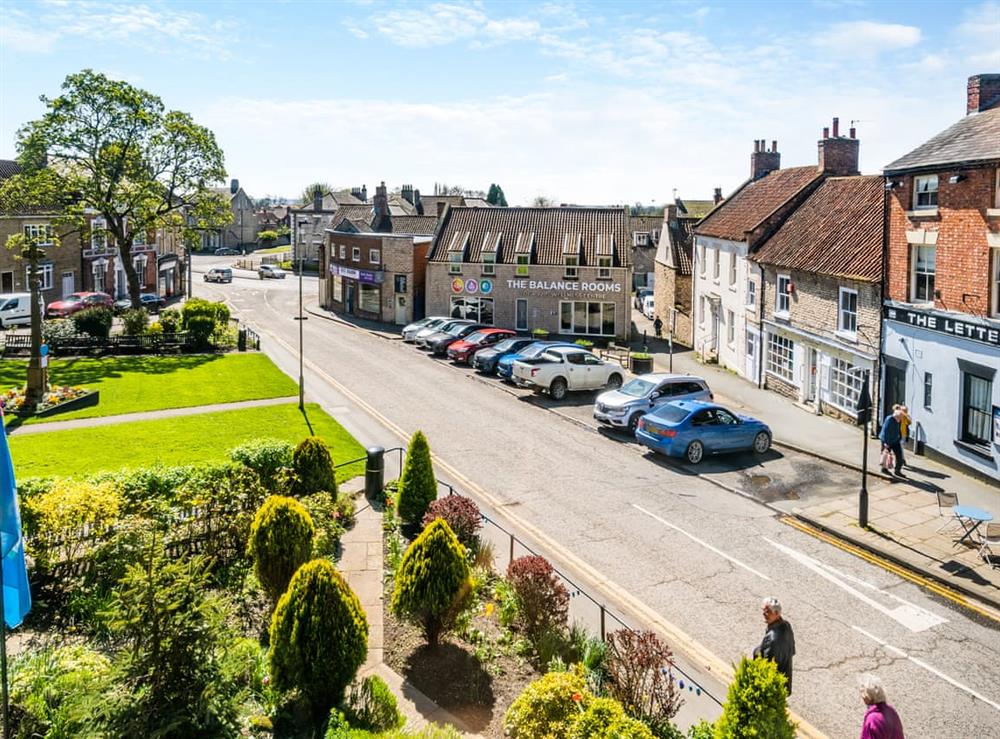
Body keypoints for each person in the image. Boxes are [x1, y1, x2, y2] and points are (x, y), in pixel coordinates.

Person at [752, 596, 795, 694]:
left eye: (768, 612)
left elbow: (766, 666)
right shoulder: (787, 626)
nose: (764, 614)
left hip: (771, 688)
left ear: (776, 614)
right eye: (764, 610)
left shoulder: (771, 639)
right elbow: (792, 651)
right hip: (784, 682)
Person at [858, 674, 905, 739]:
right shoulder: (891, 710)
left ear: (868, 696)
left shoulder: (872, 719)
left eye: (862, 693)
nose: (862, 697)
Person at [879, 408, 905, 478]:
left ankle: (897, 471)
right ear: (896, 416)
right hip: (887, 440)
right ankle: (884, 469)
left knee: (899, 456)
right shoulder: (889, 419)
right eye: (900, 418)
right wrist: (886, 443)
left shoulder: (898, 420)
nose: (901, 419)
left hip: (895, 440)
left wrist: (899, 437)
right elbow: (885, 431)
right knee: (886, 455)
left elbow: (898, 429)